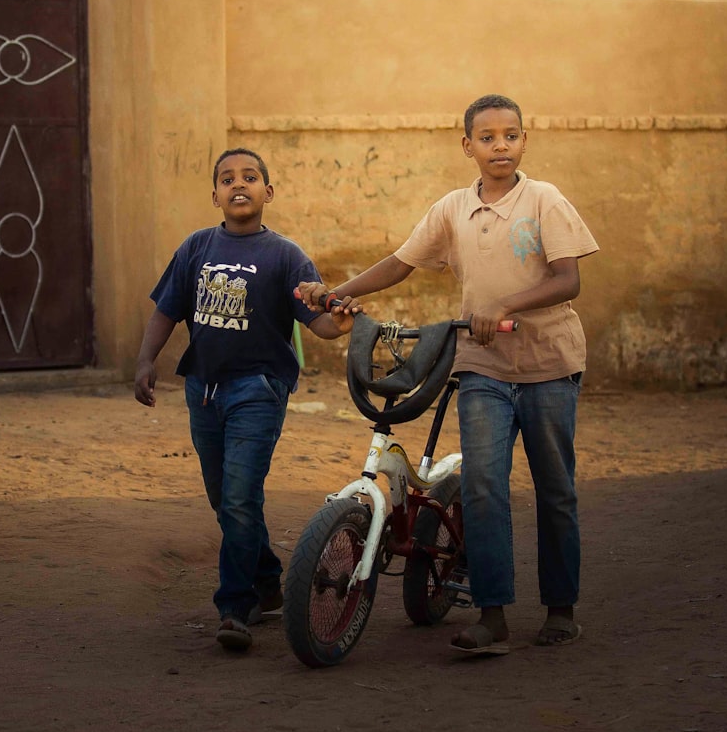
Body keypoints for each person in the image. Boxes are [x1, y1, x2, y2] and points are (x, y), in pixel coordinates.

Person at [299, 94, 599, 655]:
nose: (500, 146)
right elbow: (400, 262)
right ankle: (492, 616)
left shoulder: (545, 201)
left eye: (510, 135)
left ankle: (561, 608)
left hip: (549, 366)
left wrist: (507, 305)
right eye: (487, 138)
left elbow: (567, 280)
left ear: (524, 141)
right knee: (484, 488)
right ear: (468, 147)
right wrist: (339, 292)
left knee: (555, 488)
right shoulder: (453, 209)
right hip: (481, 365)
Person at [134, 147, 361, 652]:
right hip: (204, 390)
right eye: (228, 178)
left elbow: (317, 320)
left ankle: (235, 607)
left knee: (239, 497)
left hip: (258, 389)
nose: (240, 185)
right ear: (214, 194)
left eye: (251, 177)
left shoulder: (285, 255)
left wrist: (336, 323)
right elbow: (166, 311)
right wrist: (146, 360)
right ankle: (266, 580)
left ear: (268, 192)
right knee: (225, 498)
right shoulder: (196, 247)